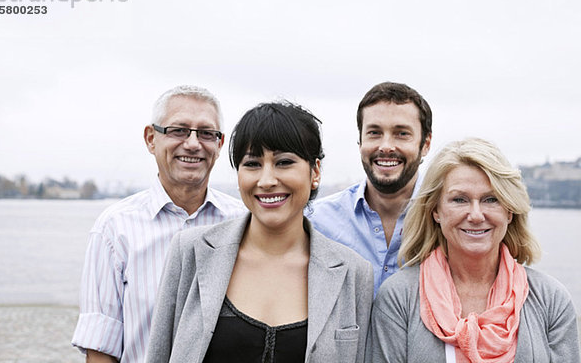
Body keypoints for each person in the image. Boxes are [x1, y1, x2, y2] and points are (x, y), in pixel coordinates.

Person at [146, 101, 374, 363]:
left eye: (284, 162)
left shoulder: (353, 273)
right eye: (252, 164)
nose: (266, 180)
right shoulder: (191, 252)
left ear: (315, 172)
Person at [71, 85, 246, 363]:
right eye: (178, 130)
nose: (192, 143)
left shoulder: (243, 224)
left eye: (206, 133)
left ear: (219, 144)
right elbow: (101, 349)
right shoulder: (115, 230)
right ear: (151, 139)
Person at [366, 138, 581, 362]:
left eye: (491, 199)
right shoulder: (398, 298)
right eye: (459, 199)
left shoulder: (550, 299)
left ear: (510, 211)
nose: (476, 215)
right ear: (435, 211)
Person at [306, 82, 432, 292]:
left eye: (402, 134)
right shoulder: (317, 223)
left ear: (425, 144)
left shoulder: (448, 222)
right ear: (360, 142)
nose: (386, 146)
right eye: (374, 133)